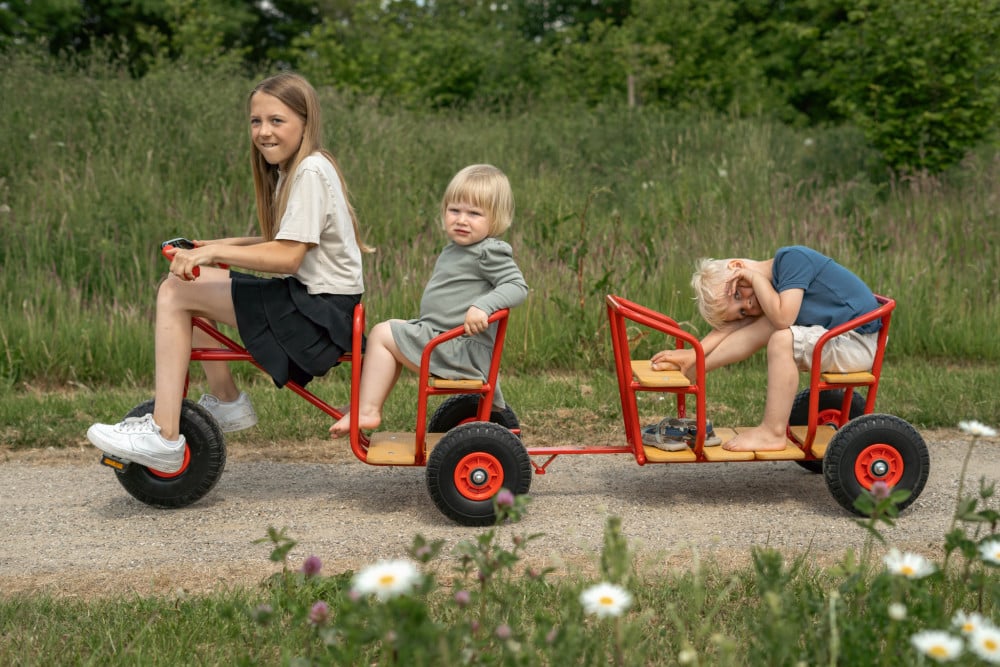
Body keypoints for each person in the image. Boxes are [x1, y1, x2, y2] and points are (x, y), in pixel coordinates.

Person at [88, 72, 369, 473]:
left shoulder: (309, 171)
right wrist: (214, 246)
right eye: (256, 121)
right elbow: (284, 239)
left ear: (305, 122)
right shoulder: (299, 168)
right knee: (185, 284)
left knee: (176, 291)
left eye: (277, 120)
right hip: (319, 307)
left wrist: (216, 253)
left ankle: (165, 435)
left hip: (317, 317)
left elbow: (288, 257)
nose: (264, 131)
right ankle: (225, 401)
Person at [329, 164, 528, 437]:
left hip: (458, 349)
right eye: (454, 210)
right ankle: (366, 402)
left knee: (382, 334)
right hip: (443, 340)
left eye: (474, 213)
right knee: (391, 331)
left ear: (495, 219)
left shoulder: (488, 251)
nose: (461, 220)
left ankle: (368, 409)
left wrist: (483, 306)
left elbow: (517, 286)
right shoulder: (457, 248)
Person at [650, 245, 881, 452]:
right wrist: (694, 355)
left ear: (738, 268)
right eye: (741, 310)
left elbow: (783, 318)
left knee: (781, 338)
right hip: (842, 340)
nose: (747, 305)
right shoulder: (772, 292)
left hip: (857, 341)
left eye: (738, 294)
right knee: (767, 325)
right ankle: (696, 368)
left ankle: (772, 433)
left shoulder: (792, 259)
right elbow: (733, 330)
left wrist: (755, 278)